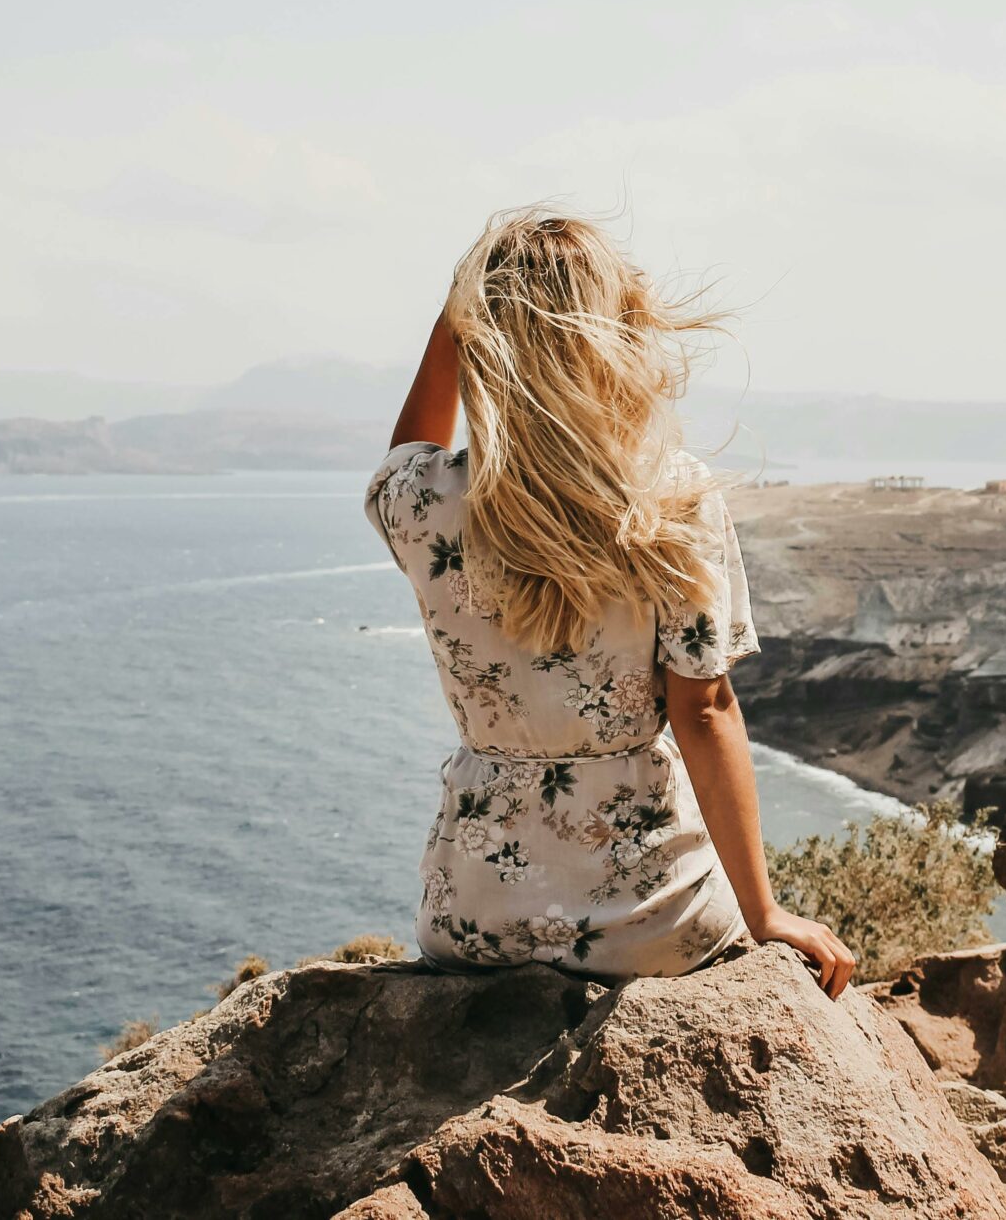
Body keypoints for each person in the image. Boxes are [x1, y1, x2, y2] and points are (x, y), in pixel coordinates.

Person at [364, 206, 856, 996]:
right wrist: (765, 913)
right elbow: (704, 712)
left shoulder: (424, 503)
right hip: (651, 924)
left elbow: (401, 455)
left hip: (473, 922)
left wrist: (456, 318)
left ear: (480, 341)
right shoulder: (673, 503)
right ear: (611, 339)